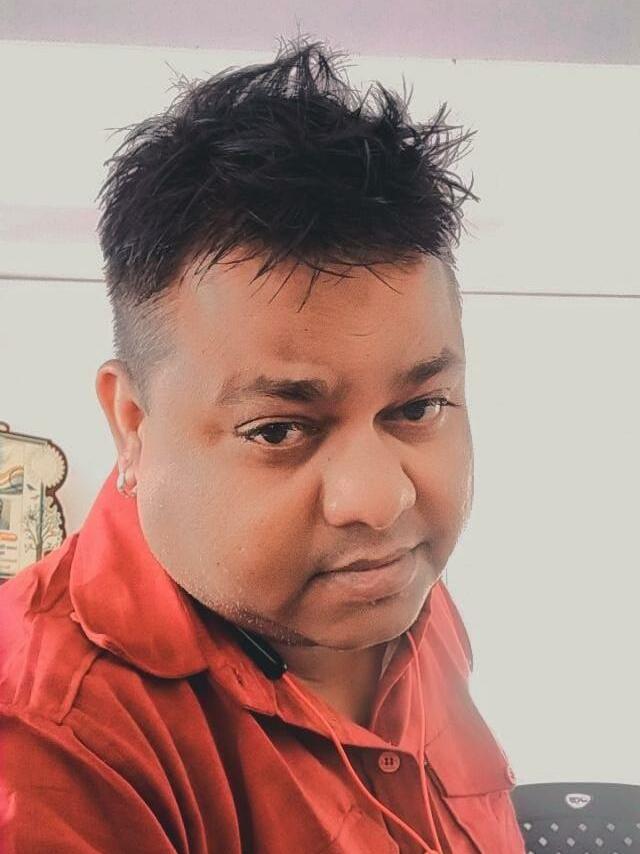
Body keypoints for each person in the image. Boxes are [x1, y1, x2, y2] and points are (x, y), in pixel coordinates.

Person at [0, 37, 525, 853]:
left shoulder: (395, 585)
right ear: (132, 424)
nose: (380, 499)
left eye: (418, 407)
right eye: (279, 429)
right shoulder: (46, 739)